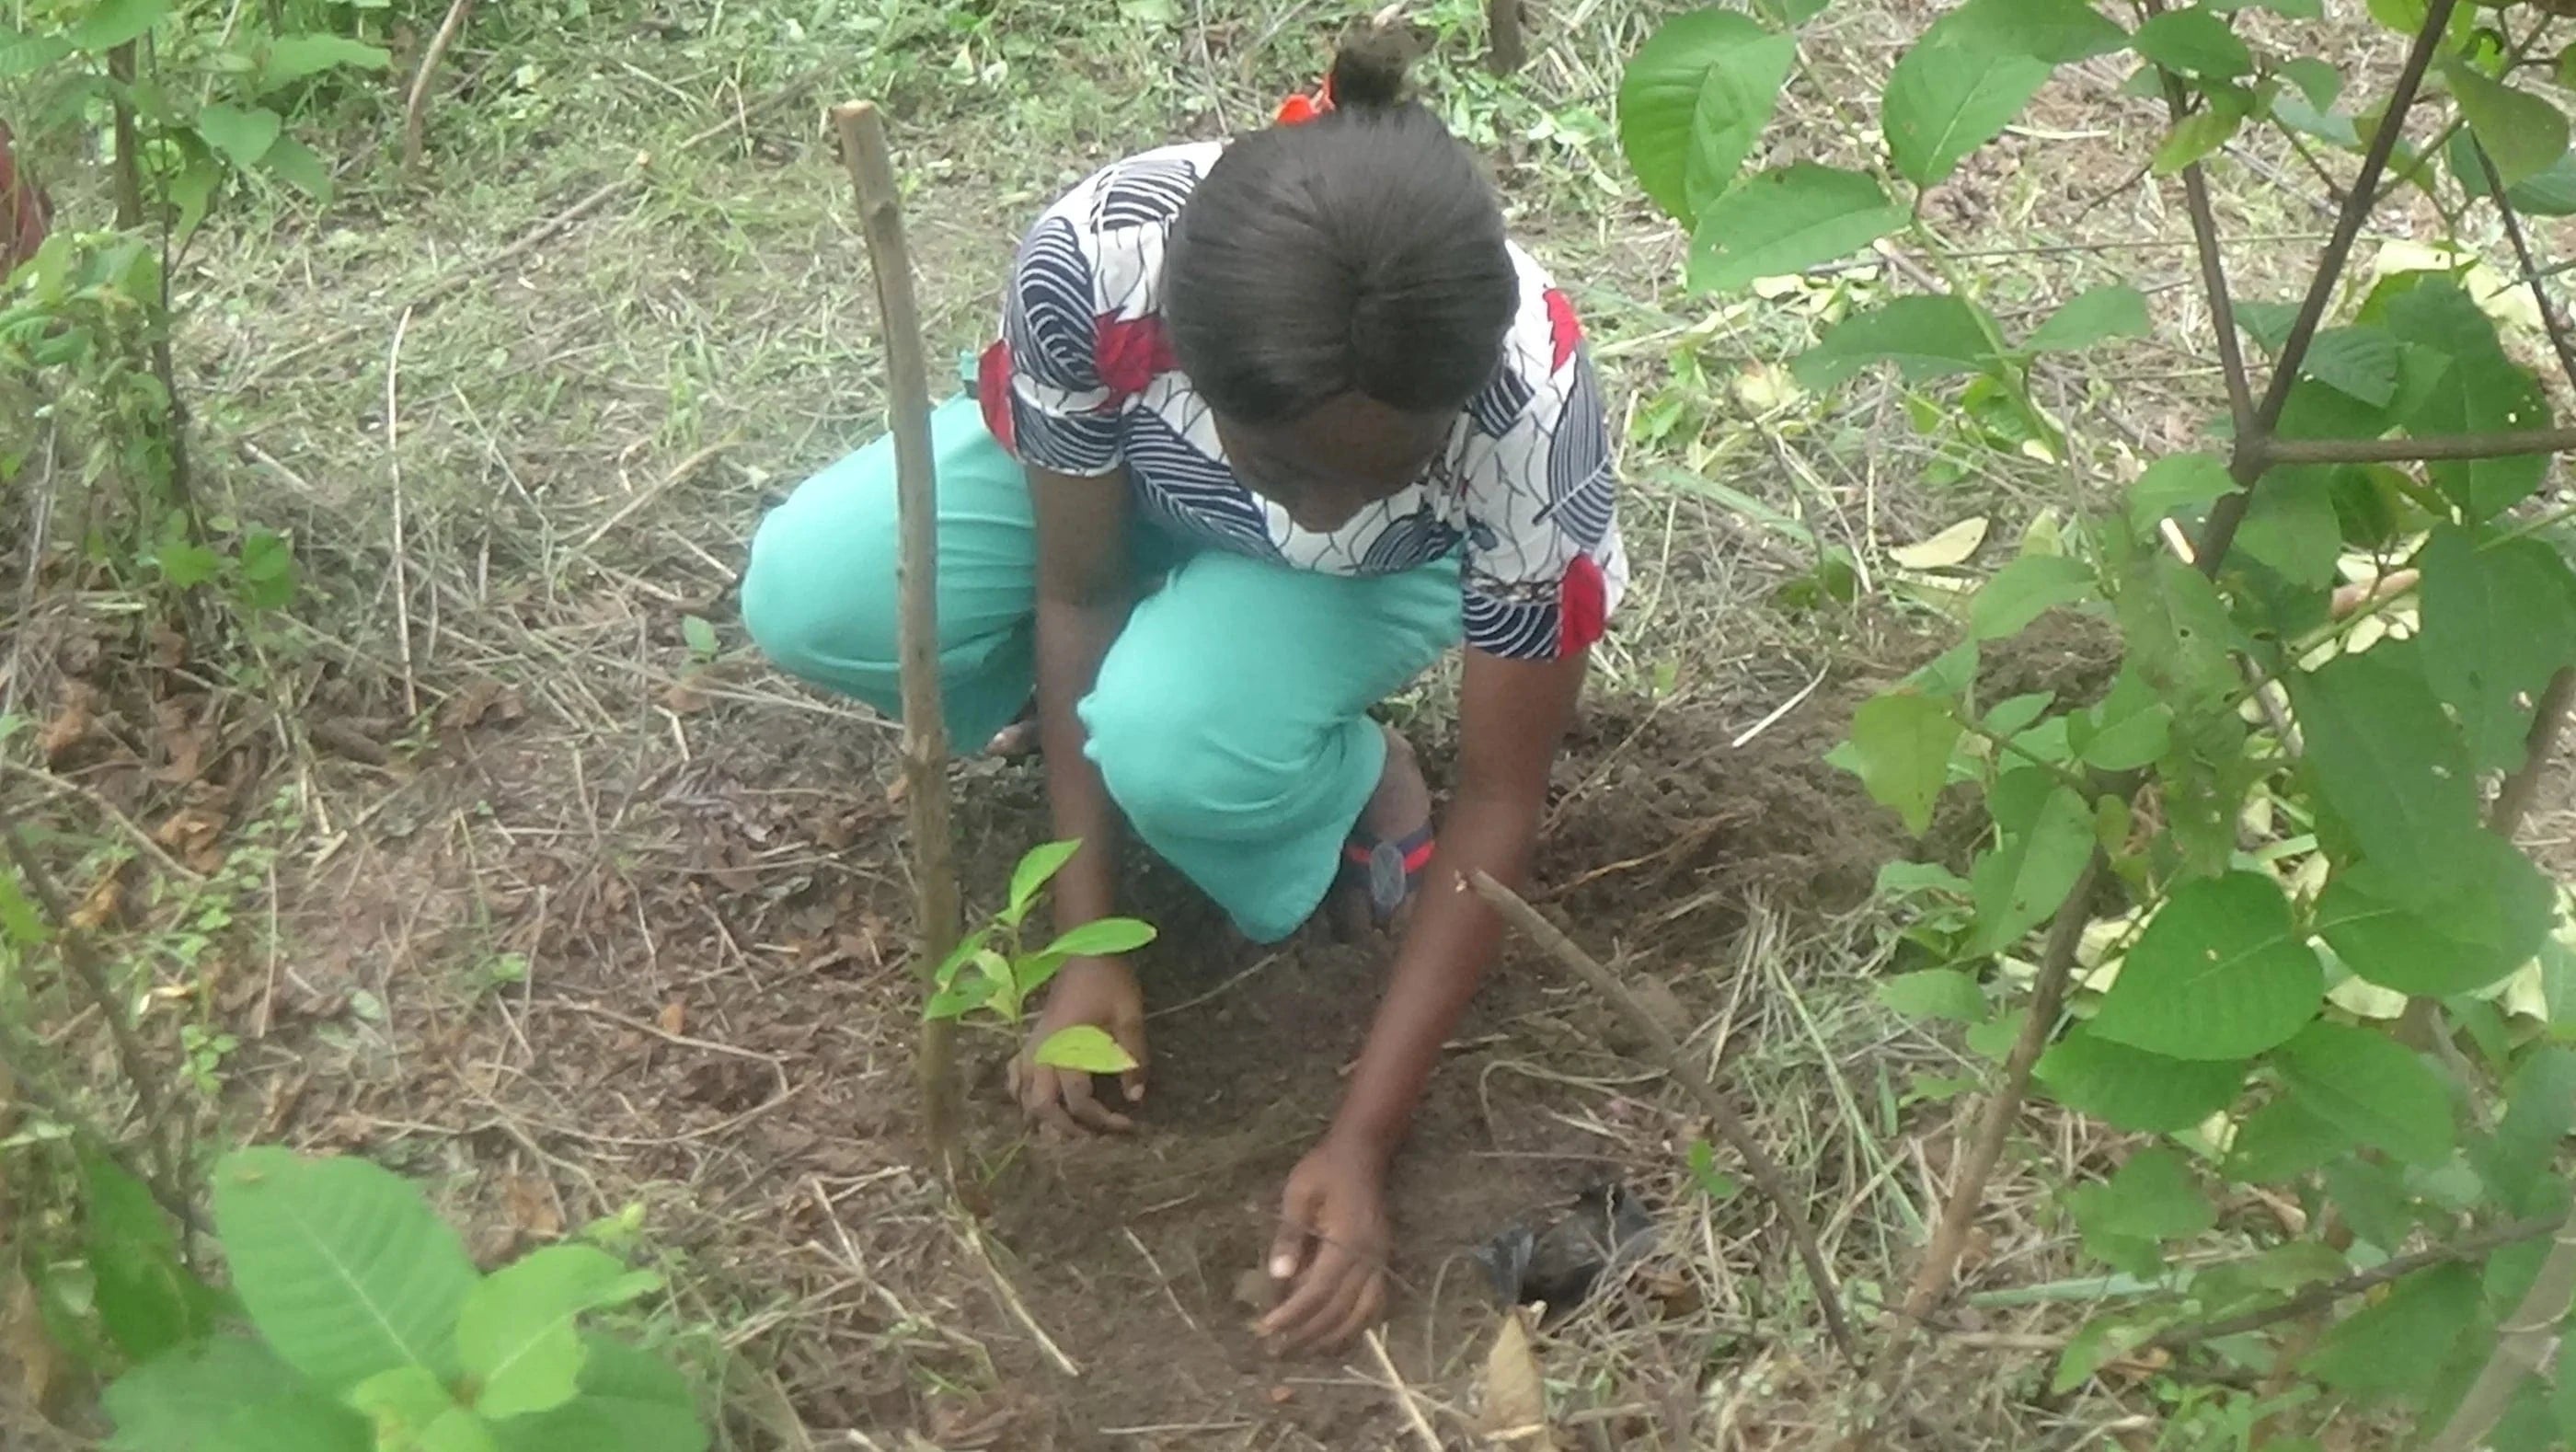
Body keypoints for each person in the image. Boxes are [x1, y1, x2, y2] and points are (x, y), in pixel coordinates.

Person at [741, 30, 1623, 1354]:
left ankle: (1352, 780)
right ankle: (1126, 710)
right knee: (817, 591)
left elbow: (1505, 796)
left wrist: (1361, 1140)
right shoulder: (1095, 267)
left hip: (1368, 582)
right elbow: (1077, 587)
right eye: (1287, 462)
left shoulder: (1527, 407)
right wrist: (1085, 951)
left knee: (1174, 737)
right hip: (1135, 495)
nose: (1315, 504)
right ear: (1194, 368)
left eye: (1369, 470)